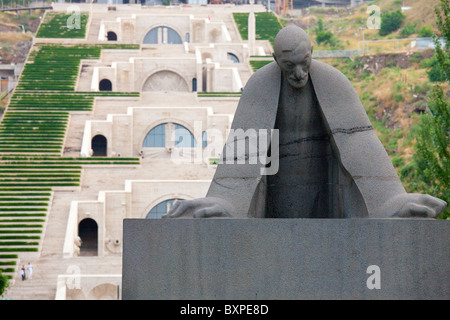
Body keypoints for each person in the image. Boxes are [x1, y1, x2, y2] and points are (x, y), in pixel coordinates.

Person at [163, 25, 446, 219]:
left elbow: (359, 141)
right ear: (276, 60)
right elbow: (242, 155)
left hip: (328, 204)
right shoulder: (259, 86)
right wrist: (226, 201)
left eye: (304, 62)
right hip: (273, 206)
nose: (299, 73)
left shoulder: (335, 82)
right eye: (289, 66)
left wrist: (390, 200)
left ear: (312, 52)